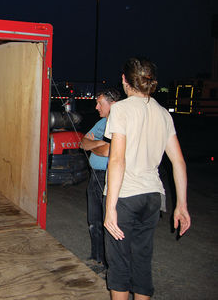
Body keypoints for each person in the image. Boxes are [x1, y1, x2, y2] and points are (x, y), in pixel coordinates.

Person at [103, 57, 191, 300]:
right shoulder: (163, 113)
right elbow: (179, 162)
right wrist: (181, 206)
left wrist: (110, 208)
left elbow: (117, 159)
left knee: (119, 264)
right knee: (142, 259)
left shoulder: (120, 109)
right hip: (153, 197)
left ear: (124, 80)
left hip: (125, 197)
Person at [80, 88, 121, 268]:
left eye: (99, 103)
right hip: (94, 177)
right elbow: (83, 142)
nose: (96, 107)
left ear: (112, 103)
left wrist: (94, 145)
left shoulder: (119, 123)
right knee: (93, 219)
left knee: (107, 221)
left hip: (108, 177)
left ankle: (108, 264)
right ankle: (96, 256)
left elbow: (108, 151)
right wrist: (99, 144)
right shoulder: (101, 123)